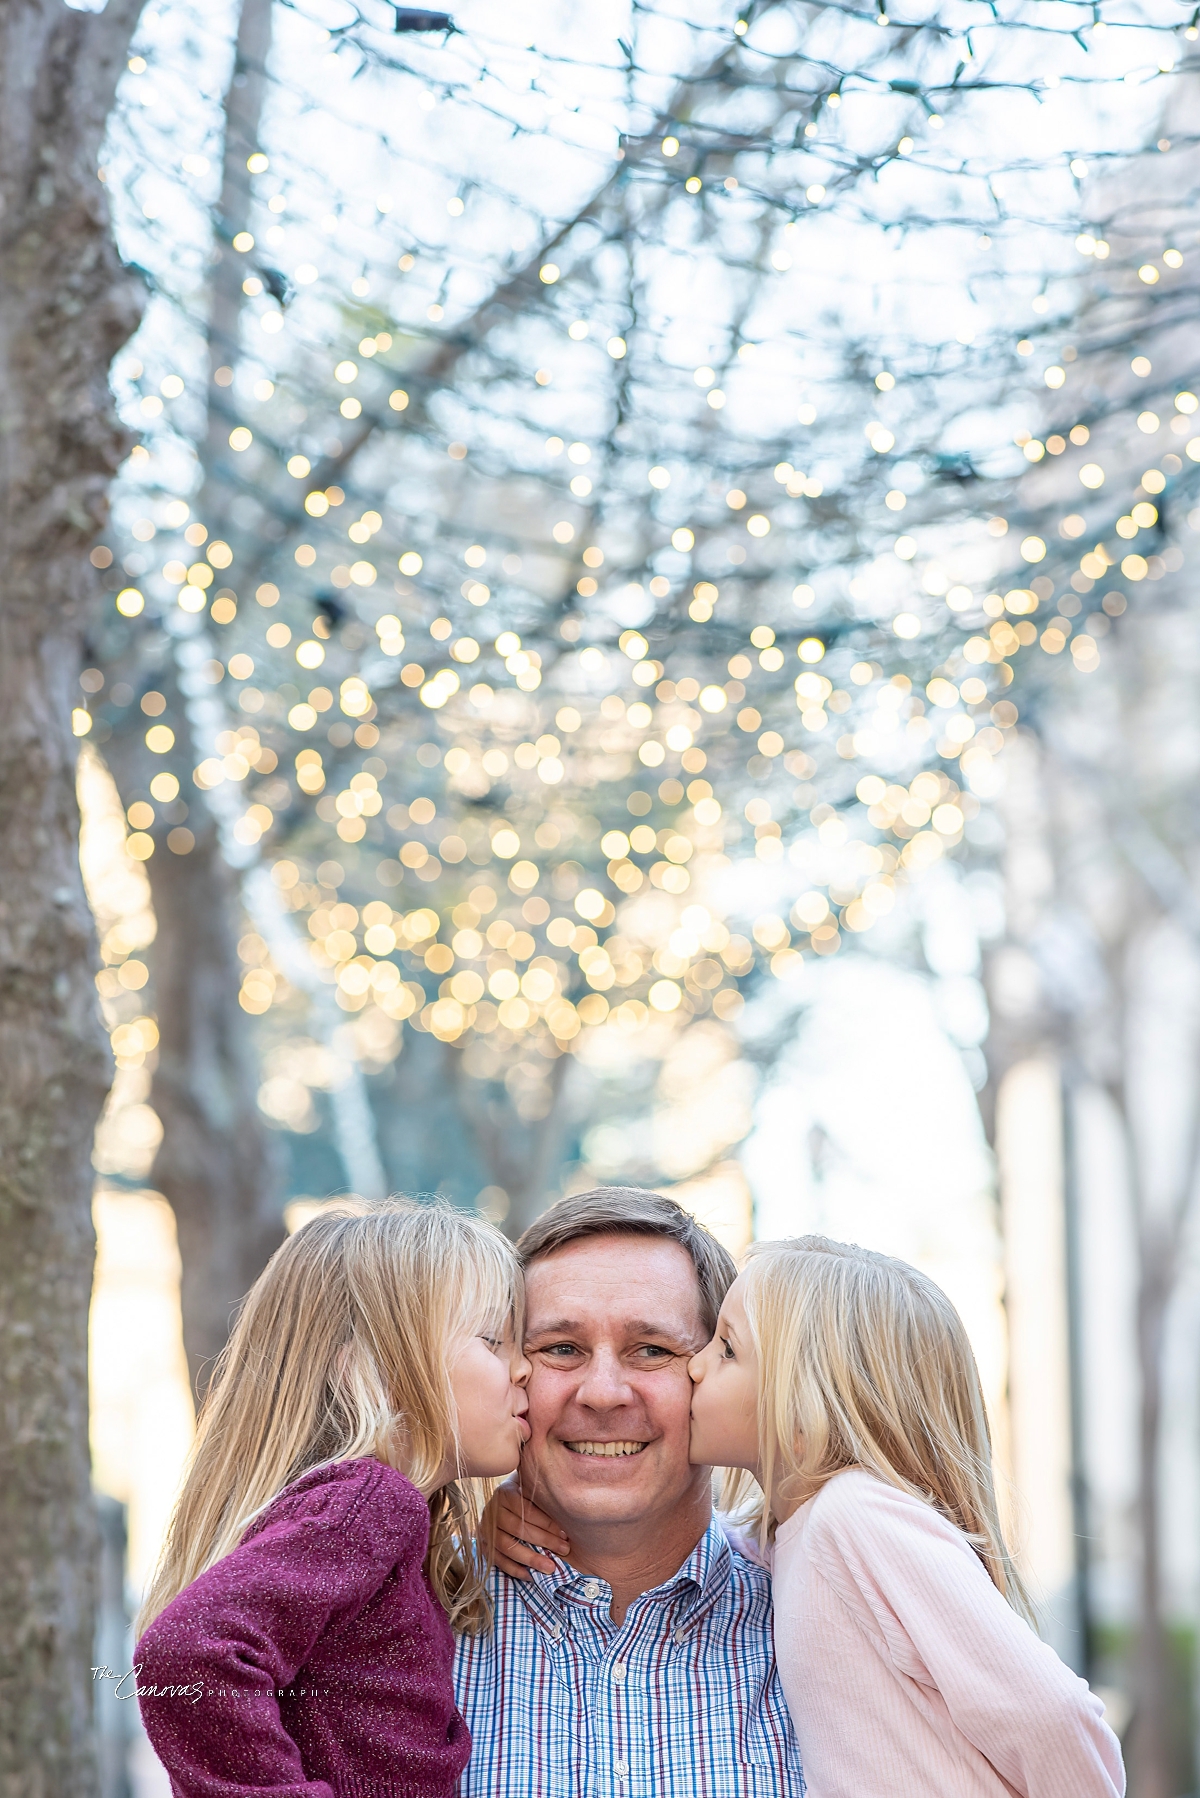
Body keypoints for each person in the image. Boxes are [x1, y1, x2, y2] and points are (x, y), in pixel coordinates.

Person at [688, 1233, 1126, 1798]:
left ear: (806, 1401)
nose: (695, 1367)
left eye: (726, 1348)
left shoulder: (855, 1515)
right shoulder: (792, 1537)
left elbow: (1054, 1716)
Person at [135, 1202, 530, 1798]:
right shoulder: (370, 1502)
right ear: (371, 1372)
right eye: (494, 1339)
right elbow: (185, 1654)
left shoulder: (376, 1519)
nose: (524, 1367)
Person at [457, 1187, 803, 1796]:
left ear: (719, 1377)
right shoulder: (405, 1616)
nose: (603, 1392)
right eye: (561, 1349)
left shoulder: (811, 1615)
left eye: (652, 1350)